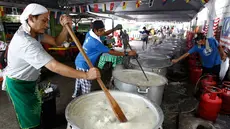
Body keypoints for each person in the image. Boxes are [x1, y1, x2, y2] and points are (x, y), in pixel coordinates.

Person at [4, 3, 100, 129]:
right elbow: (54, 66)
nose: (47, 25)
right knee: (28, 119)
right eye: (44, 21)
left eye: (47, 21)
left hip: (30, 82)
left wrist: (66, 28)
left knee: (36, 109)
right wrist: (86, 75)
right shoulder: (25, 42)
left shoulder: (33, 31)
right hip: (18, 85)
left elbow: (56, 41)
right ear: (31, 18)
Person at [73, 20, 137, 97]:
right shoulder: (95, 42)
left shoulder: (90, 33)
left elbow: (105, 33)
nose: (103, 31)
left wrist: (115, 28)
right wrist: (127, 53)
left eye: (103, 29)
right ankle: (84, 99)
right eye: (101, 30)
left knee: (80, 80)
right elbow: (111, 52)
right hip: (84, 64)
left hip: (79, 60)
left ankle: (76, 95)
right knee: (86, 84)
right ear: (95, 30)